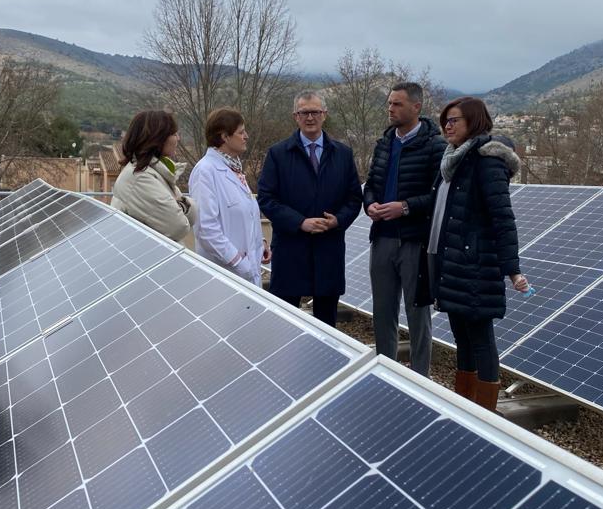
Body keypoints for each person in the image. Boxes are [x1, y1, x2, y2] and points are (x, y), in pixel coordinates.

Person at [423, 96, 529, 411]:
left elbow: (503, 218)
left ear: (474, 121)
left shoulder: (487, 161)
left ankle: (485, 413)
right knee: (462, 337)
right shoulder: (453, 160)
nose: (447, 126)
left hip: (475, 265)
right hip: (451, 262)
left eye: (454, 120)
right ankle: (465, 406)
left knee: (481, 338)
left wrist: (512, 269)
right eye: (445, 121)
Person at [257, 91, 363, 326]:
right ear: (295, 116)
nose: (310, 117)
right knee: (284, 325)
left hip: (329, 251)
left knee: (326, 328)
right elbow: (266, 198)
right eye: (304, 112)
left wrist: (338, 220)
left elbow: (354, 198)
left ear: (324, 114)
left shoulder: (343, 154)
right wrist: (300, 222)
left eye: (315, 112)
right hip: (290, 252)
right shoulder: (278, 154)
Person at [363, 81, 445, 376]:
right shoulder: (384, 143)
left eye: (397, 104)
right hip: (382, 238)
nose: (390, 109)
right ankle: (386, 373)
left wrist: (405, 207)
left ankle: (420, 378)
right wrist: (370, 204)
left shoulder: (435, 146)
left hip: (414, 242)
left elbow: (438, 195)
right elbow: (371, 184)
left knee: (417, 314)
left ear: (416, 107)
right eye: (389, 103)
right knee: (383, 312)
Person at [188, 108, 270, 286]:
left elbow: (245, 215)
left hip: (246, 274)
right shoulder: (205, 171)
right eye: (241, 132)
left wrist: (259, 243)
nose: (246, 136)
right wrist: (238, 262)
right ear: (224, 137)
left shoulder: (234, 169)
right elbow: (206, 228)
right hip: (225, 276)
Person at [112, 110, 196, 243]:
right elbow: (178, 226)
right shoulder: (140, 178)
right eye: (174, 134)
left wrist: (178, 205)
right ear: (158, 138)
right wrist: (184, 204)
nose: (178, 139)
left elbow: (190, 217)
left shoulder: (156, 172)